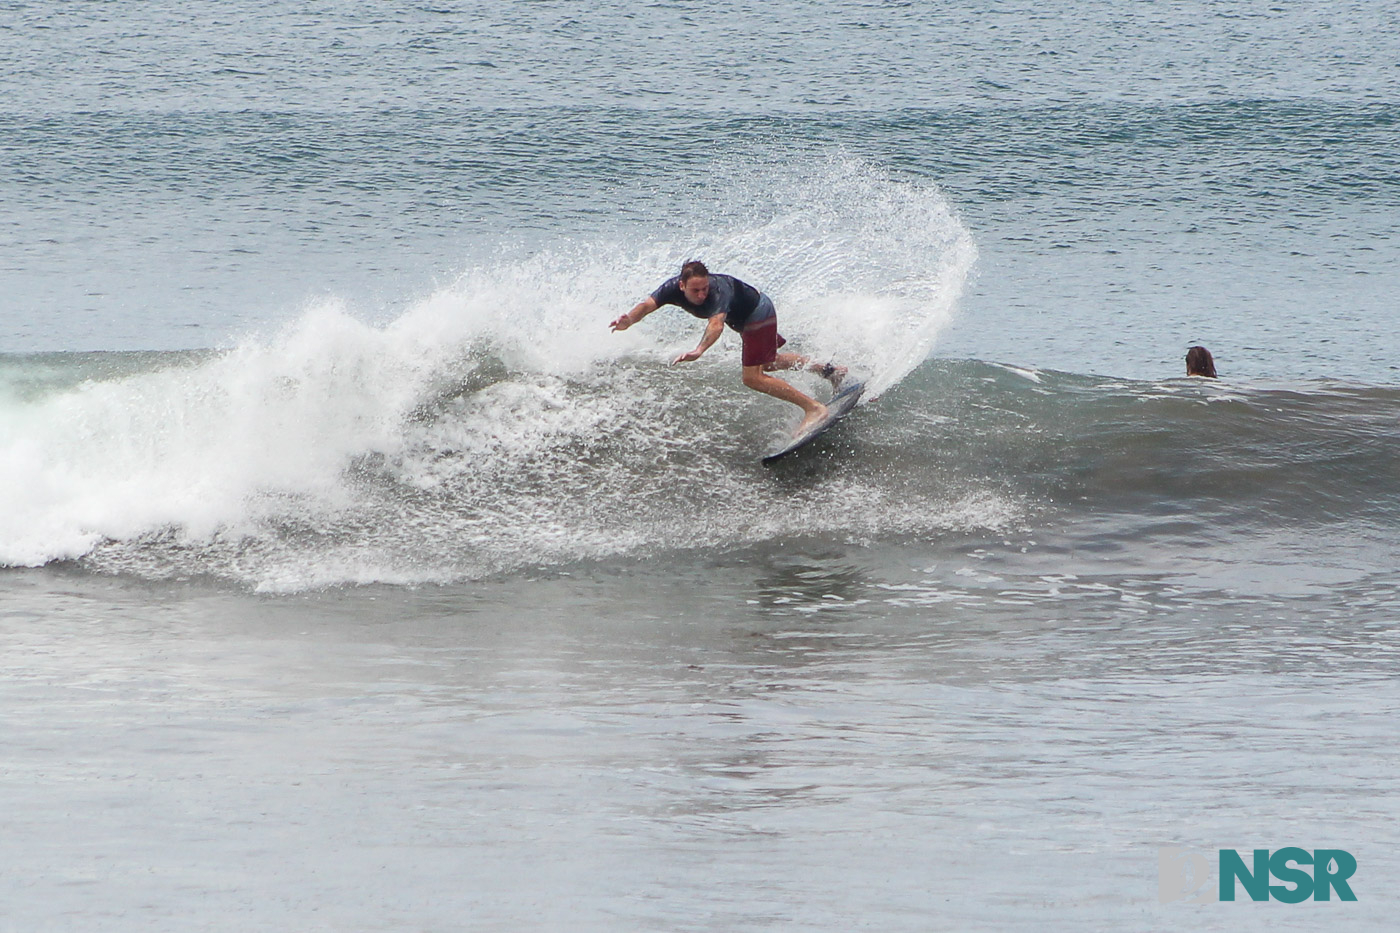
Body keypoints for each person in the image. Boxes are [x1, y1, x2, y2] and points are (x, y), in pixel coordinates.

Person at [610, 260, 845, 433]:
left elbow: (716, 325)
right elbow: (647, 305)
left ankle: (814, 409)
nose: (702, 294)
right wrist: (629, 321)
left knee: (752, 377)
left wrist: (699, 350)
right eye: (696, 290)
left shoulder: (718, 291)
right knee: (769, 363)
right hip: (745, 317)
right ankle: (830, 371)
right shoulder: (671, 288)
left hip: (757, 312)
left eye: (704, 288)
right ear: (681, 285)